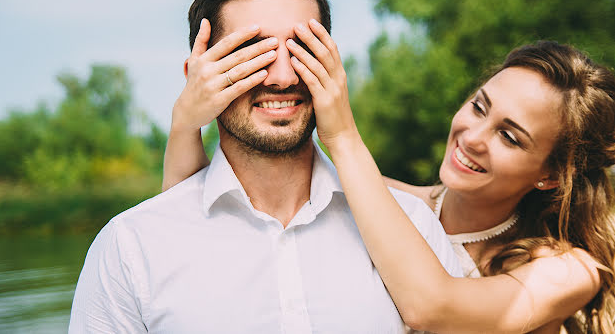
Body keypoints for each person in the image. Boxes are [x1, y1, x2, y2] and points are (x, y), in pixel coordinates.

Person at [69, 0, 462, 333]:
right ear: (198, 76)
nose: (283, 77)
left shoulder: (415, 230)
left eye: (302, 49)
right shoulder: (130, 248)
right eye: (253, 54)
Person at [164, 38, 615, 333]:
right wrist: (186, 123)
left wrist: (341, 135)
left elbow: (433, 308)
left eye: (509, 136)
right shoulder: (388, 203)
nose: (473, 138)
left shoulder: (569, 271)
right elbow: (197, 218)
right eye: (479, 107)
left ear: (551, 174)